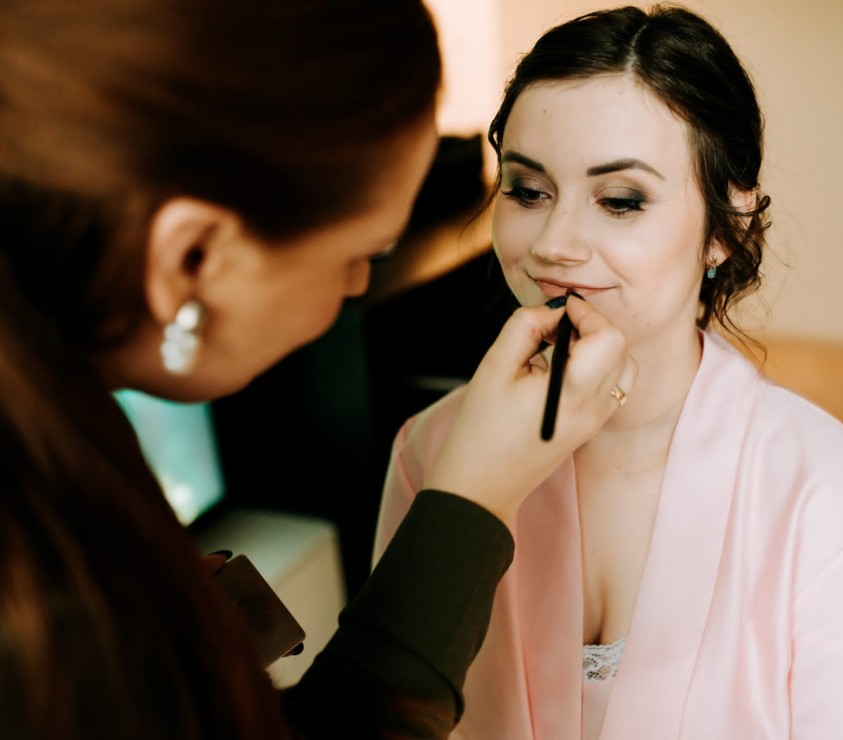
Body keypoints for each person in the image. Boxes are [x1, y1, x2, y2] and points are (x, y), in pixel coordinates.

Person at [0, 1, 635, 737]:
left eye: (623, 200)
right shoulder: (49, 618)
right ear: (192, 258)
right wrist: (476, 491)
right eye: (361, 254)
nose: (360, 285)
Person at [373, 5, 843, 739]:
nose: (555, 244)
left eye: (620, 201)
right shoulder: (430, 453)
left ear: (726, 228)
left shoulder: (833, 504)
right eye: (528, 190)